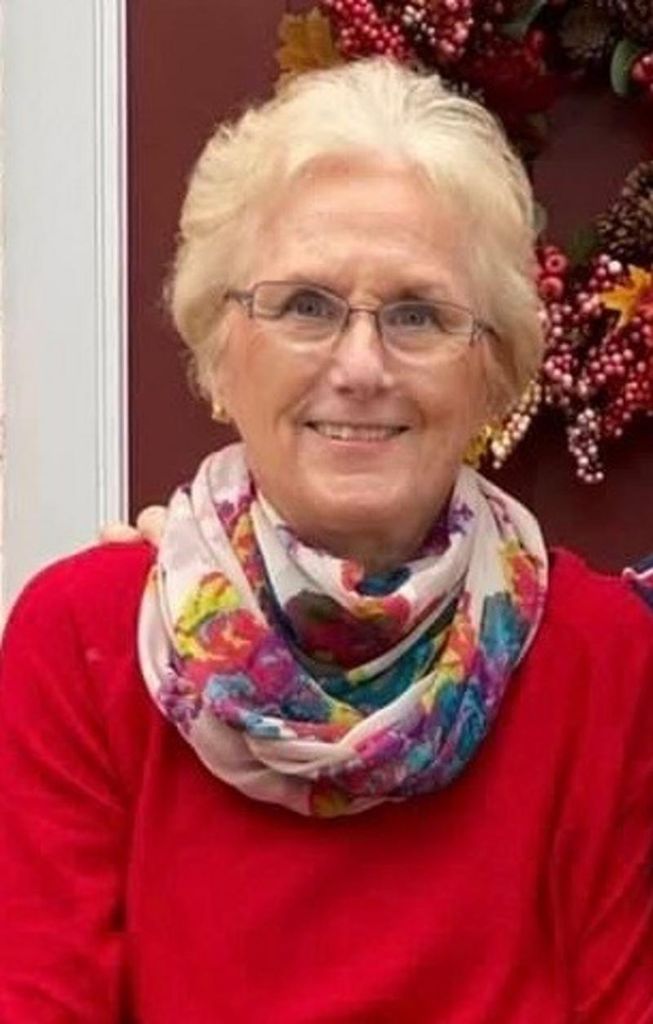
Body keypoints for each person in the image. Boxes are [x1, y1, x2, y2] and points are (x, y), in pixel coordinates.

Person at [1, 58, 652, 1024]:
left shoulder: (604, 660)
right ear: (220, 350)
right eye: (305, 305)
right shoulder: (81, 637)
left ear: (493, 372)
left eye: (417, 314)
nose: (359, 365)